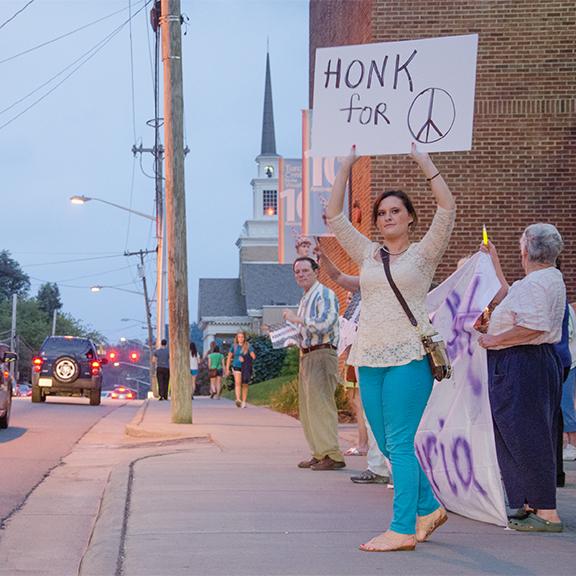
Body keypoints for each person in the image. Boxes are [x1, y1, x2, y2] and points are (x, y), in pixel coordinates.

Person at [326, 143, 455, 552]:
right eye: (382, 213)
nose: (387, 217)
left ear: (410, 218)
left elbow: (448, 209)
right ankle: (428, 507)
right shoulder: (368, 252)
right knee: (384, 442)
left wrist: (425, 162)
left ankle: (402, 529)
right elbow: (333, 217)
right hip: (368, 356)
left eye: (395, 211)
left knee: (399, 442)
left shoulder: (423, 254)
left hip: (409, 358)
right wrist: (346, 166)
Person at [478, 224, 566, 533]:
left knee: (528, 435)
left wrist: (494, 338)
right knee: (515, 434)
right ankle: (530, 501)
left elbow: (534, 327)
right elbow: (506, 293)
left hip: (522, 363)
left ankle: (547, 512)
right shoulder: (541, 280)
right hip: (527, 362)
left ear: (526, 250)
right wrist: (495, 260)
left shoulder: (538, 284)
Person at [314, 243, 392, 486]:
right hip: (362, 356)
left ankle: (393, 469)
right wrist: (322, 256)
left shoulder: (394, 285)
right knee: (371, 416)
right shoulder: (361, 289)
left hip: (387, 356)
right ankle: (377, 467)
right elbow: (337, 276)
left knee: (389, 414)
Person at [283, 256, 345, 471]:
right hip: (307, 354)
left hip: (322, 353)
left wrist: (296, 319)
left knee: (322, 405)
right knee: (309, 408)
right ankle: (319, 453)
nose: (300, 274)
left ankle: (332, 454)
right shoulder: (305, 299)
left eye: (305, 270)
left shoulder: (324, 294)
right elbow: (305, 330)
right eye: (297, 271)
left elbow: (326, 324)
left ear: (316, 271)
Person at [561, 303, 576, 461]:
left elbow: (569, 333)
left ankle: (572, 444)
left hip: (568, 363)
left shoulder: (565, 308)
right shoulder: (567, 307)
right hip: (568, 361)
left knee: (565, 405)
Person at [226, 332, 255, 408]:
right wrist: (227, 368)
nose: (240, 338)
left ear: (244, 338)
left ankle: (244, 401)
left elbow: (253, 356)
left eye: (242, 337)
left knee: (245, 384)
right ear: (237, 338)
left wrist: (246, 357)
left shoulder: (248, 346)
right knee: (237, 383)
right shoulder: (234, 346)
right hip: (236, 366)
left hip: (246, 367)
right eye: (239, 337)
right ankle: (238, 400)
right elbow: (229, 357)